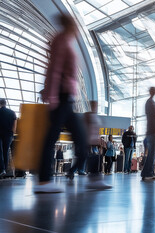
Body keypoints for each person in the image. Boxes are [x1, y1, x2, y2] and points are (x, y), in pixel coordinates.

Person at [36, 15, 111, 192]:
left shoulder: (66, 40)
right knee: (52, 140)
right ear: (71, 24)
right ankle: (44, 181)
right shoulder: (61, 40)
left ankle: (93, 178)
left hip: (67, 99)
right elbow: (55, 70)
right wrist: (53, 97)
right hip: (61, 98)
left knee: (80, 139)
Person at [0, 98, 17, 177]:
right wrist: (12, 134)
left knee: (0, 151)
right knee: (5, 151)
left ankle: (2, 169)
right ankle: (5, 170)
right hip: (8, 135)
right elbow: (14, 125)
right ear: (5, 103)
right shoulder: (12, 112)